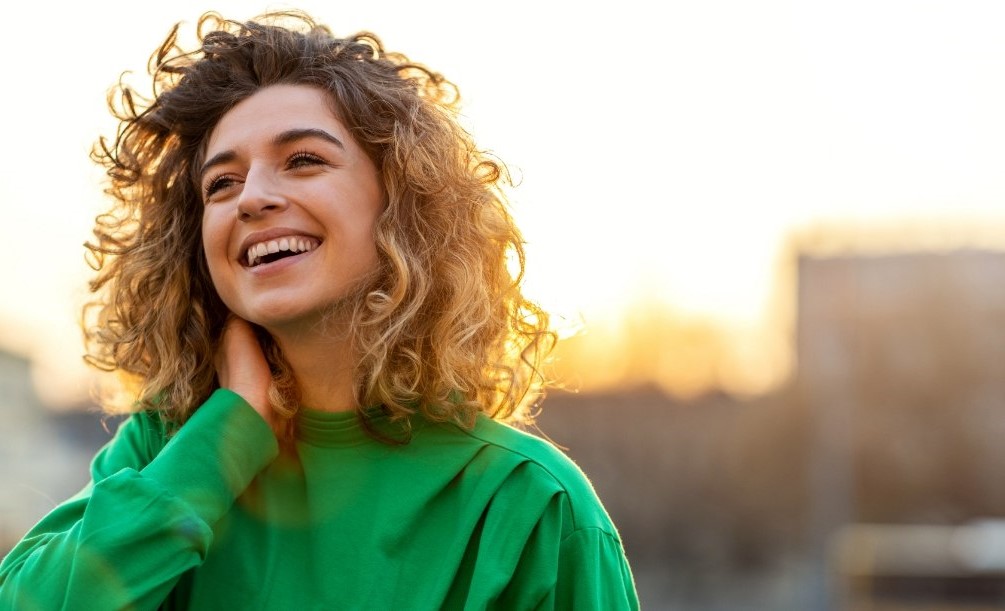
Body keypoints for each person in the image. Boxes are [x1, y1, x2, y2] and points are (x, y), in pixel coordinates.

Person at [0, 10, 638, 610]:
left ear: (404, 206)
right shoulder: (164, 452)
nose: (251, 198)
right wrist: (223, 443)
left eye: (303, 160)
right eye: (221, 183)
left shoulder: (530, 507)